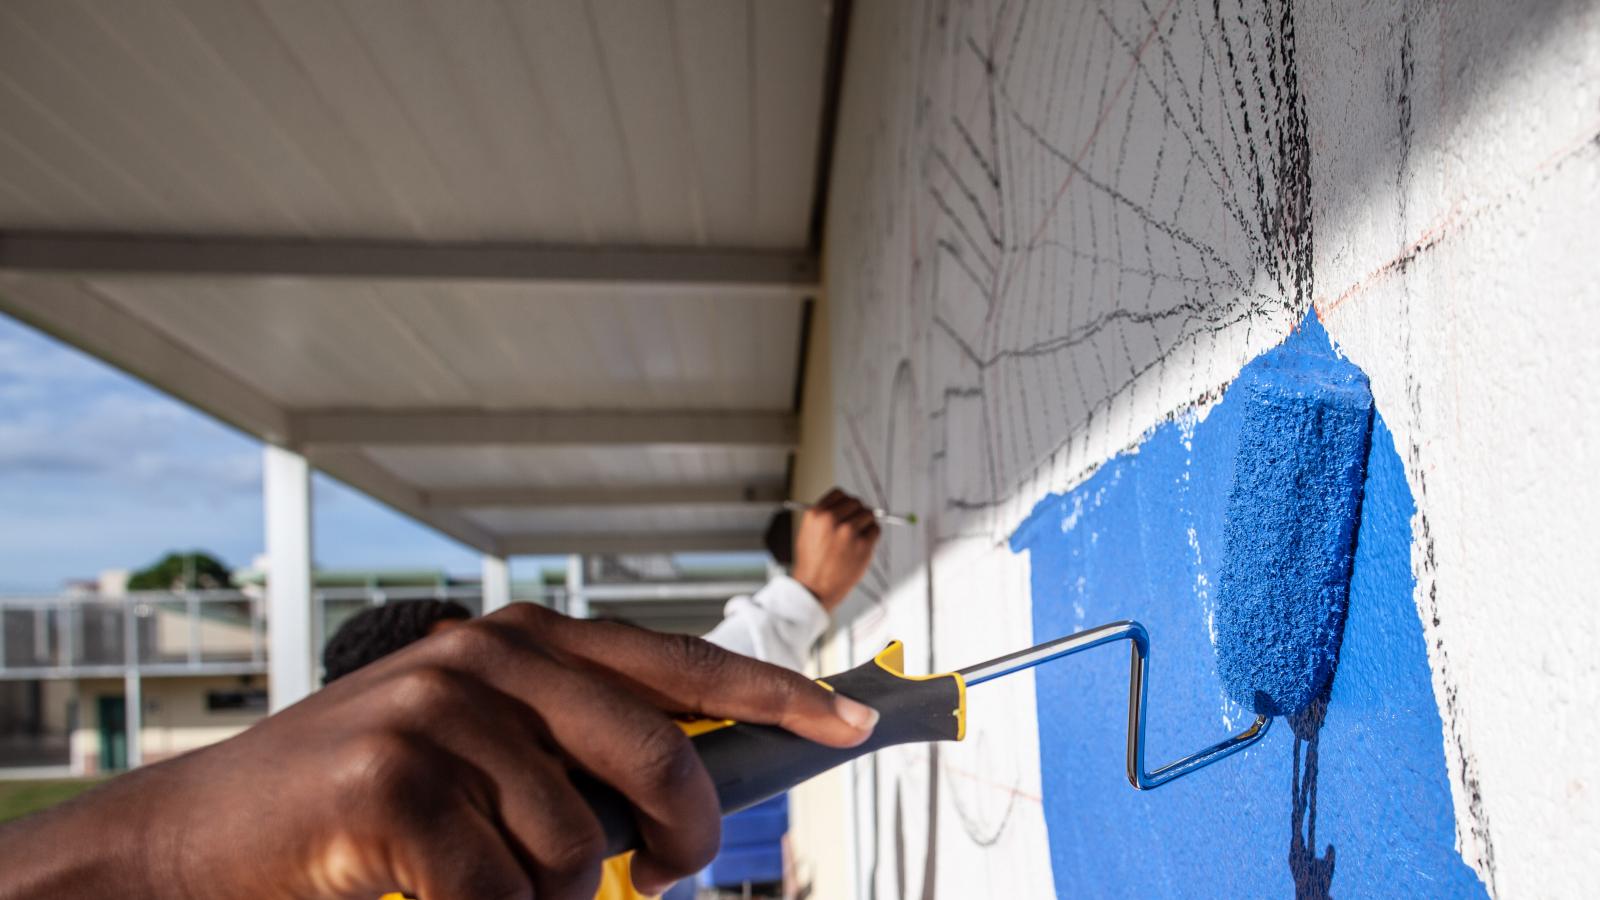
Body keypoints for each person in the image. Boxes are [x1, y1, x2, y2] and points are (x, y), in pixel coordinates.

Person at [0, 490, 884, 899]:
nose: (549, 691)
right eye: (487, 673)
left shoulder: (579, 796)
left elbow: (719, 684)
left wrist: (804, 596)